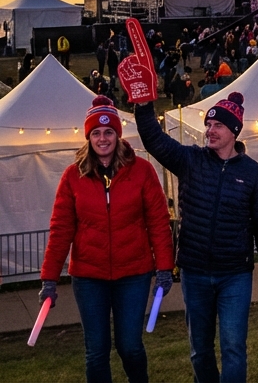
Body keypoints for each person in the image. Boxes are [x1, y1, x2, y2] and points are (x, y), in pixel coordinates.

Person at [136, 91, 258, 383]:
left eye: (218, 126)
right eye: (208, 125)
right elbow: (155, 141)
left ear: (234, 131)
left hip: (234, 276)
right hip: (195, 271)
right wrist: (143, 105)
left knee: (233, 348)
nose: (210, 131)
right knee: (200, 350)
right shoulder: (192, 161)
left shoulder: (254, 174)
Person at [40, 96, 174, 383]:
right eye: (96, 133)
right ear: (88, 137)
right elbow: (60, 229)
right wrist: (49, 278)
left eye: (109, 131)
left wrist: (164, 268)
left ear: (118, 135)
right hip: (89, 277)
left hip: (134, 273)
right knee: (96, 352)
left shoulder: (142, 171)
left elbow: (159, 223)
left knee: (130, 346)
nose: (103, 138)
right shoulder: (72, 176)